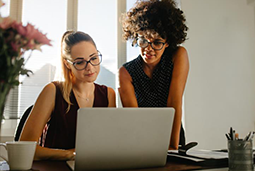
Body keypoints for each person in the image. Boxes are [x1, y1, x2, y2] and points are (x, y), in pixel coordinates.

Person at [20, 31, 116, 160]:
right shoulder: (52, 91)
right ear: (67, 64)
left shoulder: (108, 95)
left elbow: (108, 143)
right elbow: (24, 148)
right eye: (80, 62)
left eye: (93, 58)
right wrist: (70, 154)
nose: (90, 68)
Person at [118, 0, 189, 150]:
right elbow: (134, 119)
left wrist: (172, 147)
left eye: (157, 42)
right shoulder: (126, 73)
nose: (148, 49)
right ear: (135, 37)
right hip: (142, 139)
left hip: (173, 136)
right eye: (143, 41)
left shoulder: (178, 56)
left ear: (168, 42)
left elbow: (174, 103)